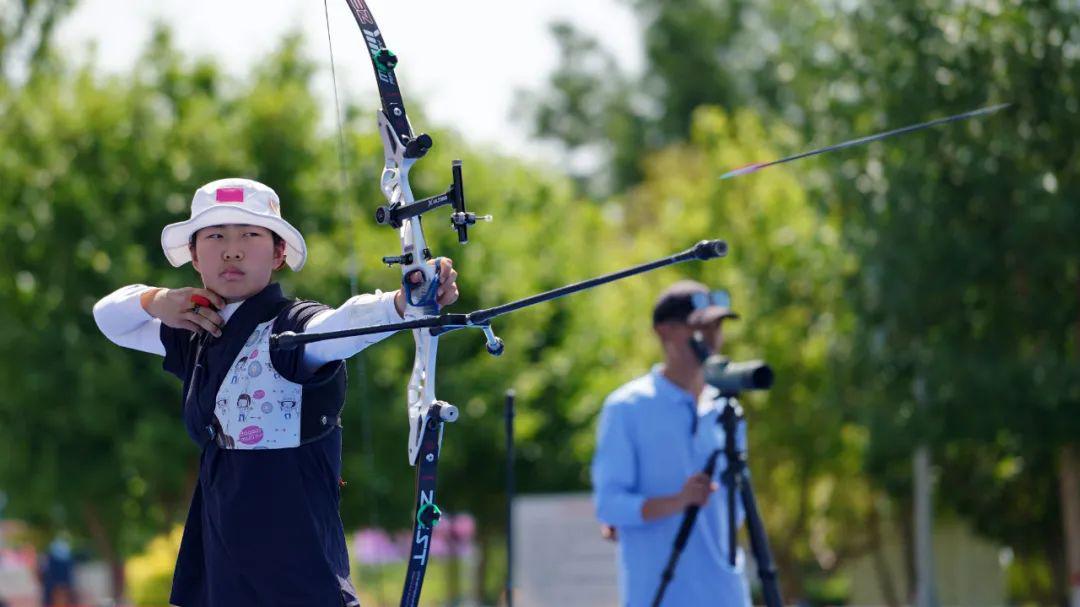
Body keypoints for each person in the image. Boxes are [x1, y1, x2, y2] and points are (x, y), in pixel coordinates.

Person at [93, 178, 459, 606]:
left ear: (279, 252)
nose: (232, 249)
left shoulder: (294, 326)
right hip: (219, 579)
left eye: (250, 234)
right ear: (193, 254)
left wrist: (400, 303)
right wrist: (157, 300)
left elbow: (338, 327)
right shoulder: (194, 329)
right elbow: (108, 317)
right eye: (215, 236)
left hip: (299, 583)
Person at [591, 280, 750, 606]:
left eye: (717, 325)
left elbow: (737, 510)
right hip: (659, 595)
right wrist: (677, 501)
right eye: (698, 326)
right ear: (664, 331)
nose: (711, 336)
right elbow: (608, 505)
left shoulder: (727, 409)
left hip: (727, 595)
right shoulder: (626, 408)